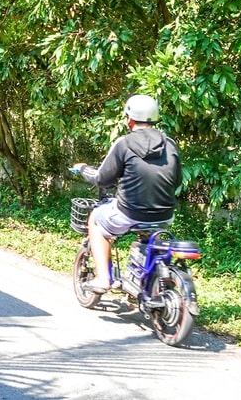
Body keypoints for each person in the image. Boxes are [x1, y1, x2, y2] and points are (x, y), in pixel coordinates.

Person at [72, 94, 182, 294]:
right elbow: (177, 181)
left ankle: (103, 279)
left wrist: (82, 169)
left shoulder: (124, 143)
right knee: (148, 233)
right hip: (165, 214)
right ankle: (141, 281)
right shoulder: (170, 144)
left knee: (95, 221)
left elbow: (102, 178)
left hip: (129, 212)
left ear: (129, 119)